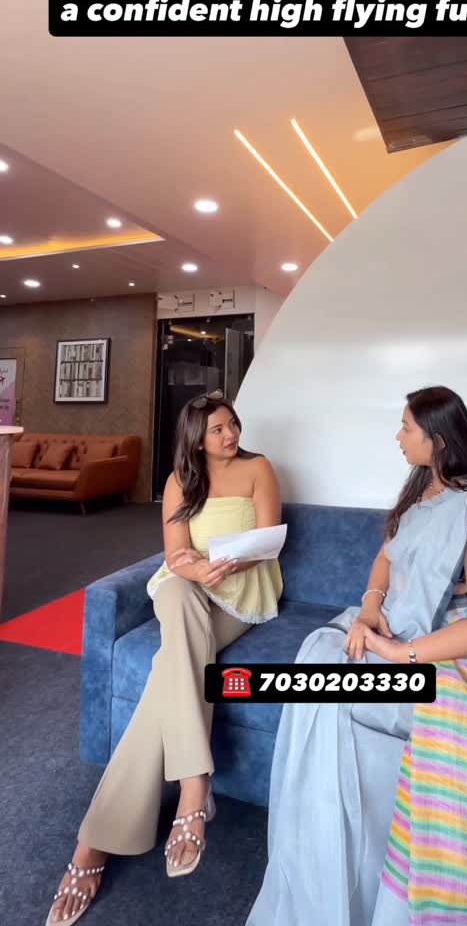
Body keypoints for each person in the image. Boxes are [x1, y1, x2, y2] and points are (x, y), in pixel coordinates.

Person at [245, 385, 467, 926]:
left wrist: (400, 652)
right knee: (317, 657)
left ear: (439, 438)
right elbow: (386, 557)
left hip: (447, 648)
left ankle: (365, 891)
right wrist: (370, 606)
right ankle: (320, 875)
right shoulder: (425, 492)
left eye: (406, 427)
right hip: (396, 626)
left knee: (327, 681)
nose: (397, 437)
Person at [47, 391, 282, 926]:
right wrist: (194, 569)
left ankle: (94, 843)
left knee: (167, 671)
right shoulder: (180, 481)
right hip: (189, 586)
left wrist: (227, 566)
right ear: (196, 438)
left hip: (240, 592)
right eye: (218, 429)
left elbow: (268, 542)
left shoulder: (259, 468)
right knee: (176, 594)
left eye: (233, 424)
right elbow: (175, 553)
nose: (231, 434)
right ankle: (195, 786)